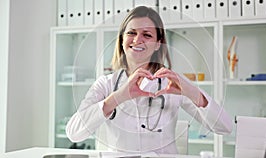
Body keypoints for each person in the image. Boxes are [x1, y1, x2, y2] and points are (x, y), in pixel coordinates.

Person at [66, 6, 232, 154]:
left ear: (158, 43)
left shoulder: (172, 82)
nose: (138, 40)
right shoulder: (106, 84)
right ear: (122, 39)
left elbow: (225, 127)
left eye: (147, 35)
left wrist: (192, 92)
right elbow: (74, 133)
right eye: (131, 33)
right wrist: (116, 98)